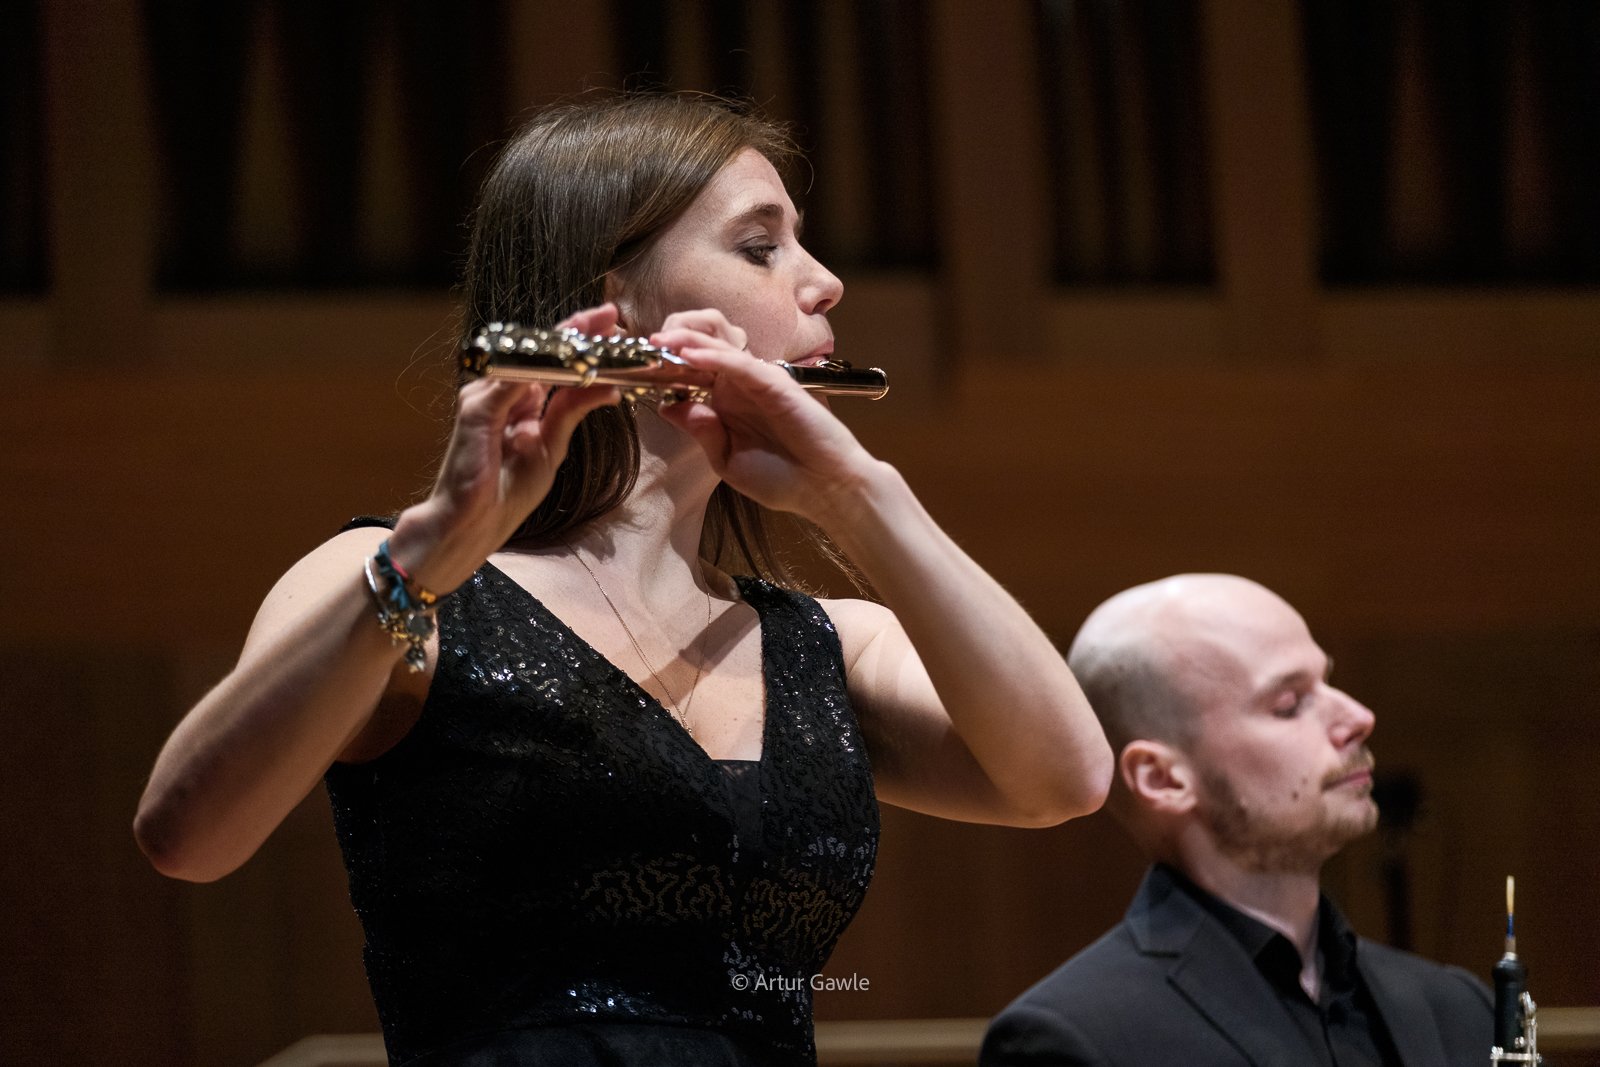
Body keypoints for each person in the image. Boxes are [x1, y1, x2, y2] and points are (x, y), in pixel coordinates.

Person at [134, 92, 1112, 1067]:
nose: (825, 283)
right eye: (760, 247)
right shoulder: (398, 585)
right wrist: (422, 564)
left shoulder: (826, 645)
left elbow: (1064, 779)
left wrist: (860, 497)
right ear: (620, 302)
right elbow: (187, 835)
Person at [981, 574, 1492, 1067]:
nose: (1358, 717)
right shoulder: (1073, 1040)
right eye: (1289, 704)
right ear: (1163, 778)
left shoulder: (1462, 1009)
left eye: (1328, 681)